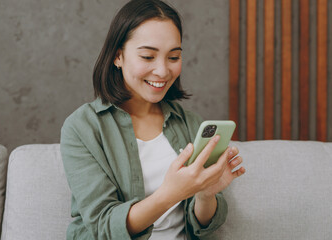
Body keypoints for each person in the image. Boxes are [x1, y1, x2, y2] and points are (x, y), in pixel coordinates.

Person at [60, 0, 245, 239]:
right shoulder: (82, 128)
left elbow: (201, 226)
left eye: (173, 57)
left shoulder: (189, 123)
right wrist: (170, 194)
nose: (162, 71)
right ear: (118, 56)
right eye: (148, 56)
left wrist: (204, 195)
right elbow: (104, 226)